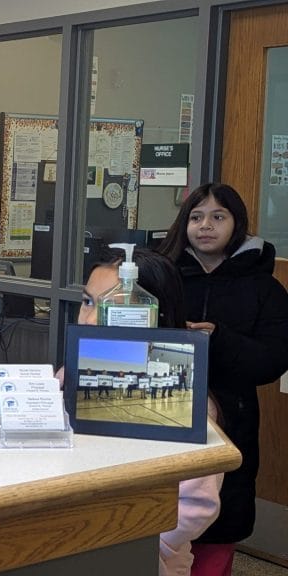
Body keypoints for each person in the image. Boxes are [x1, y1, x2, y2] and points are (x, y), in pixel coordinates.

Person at [158, 182, 288, 575]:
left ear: (237, 224)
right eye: (196, 217)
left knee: (218, 520)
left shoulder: (264, 287)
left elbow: (273, 360)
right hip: (161, 410)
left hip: (233, 416)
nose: (206, 226)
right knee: (163, 520)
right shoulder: (163, 277)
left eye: (218, 216)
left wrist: (219, 338)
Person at [79, 247, 224, 576]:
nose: (89, 319)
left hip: (146, 558)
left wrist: (143, 546)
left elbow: (196, 506)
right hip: (74, 547)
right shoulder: (69, 379)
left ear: (153, 313)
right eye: (87, 302)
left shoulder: (189, 404)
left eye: (112, 307)